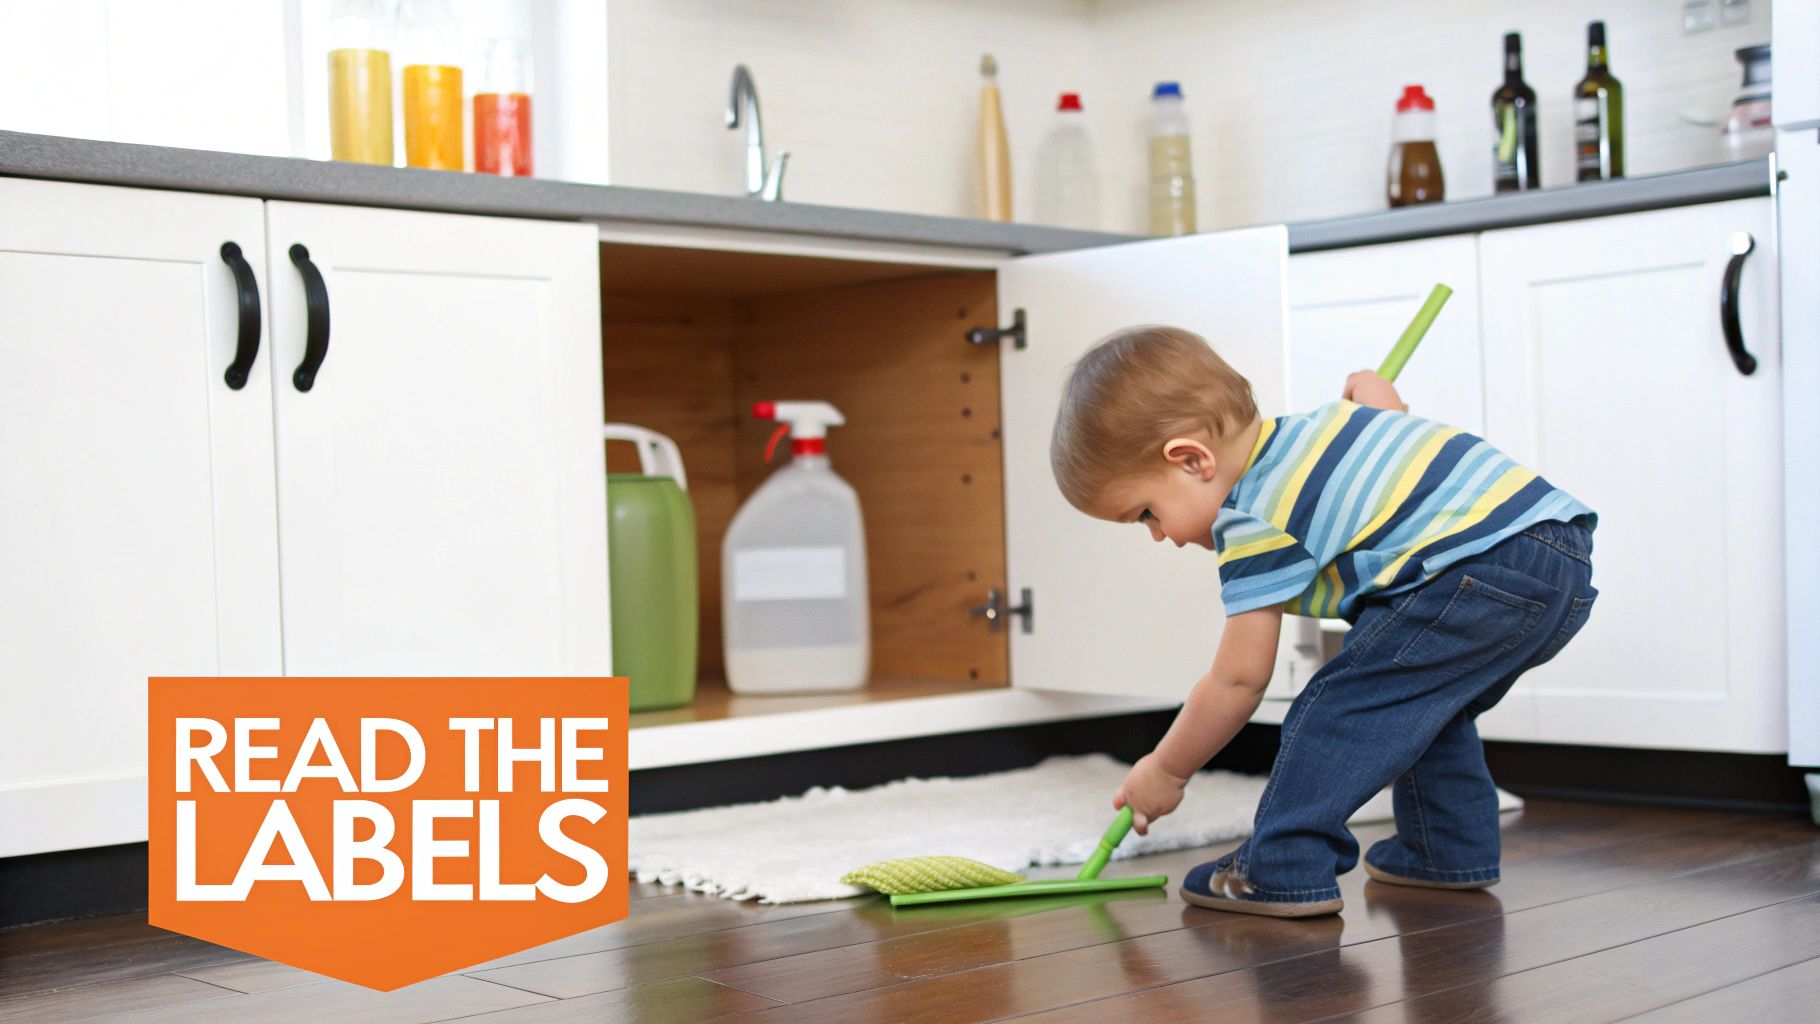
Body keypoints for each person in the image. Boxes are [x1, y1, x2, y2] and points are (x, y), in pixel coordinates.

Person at [1050, 325, 1598, 917]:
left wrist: (1166, 769)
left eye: (1148, 514)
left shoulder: (1253, 516)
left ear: (1191, 459)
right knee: (1421, 707)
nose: (1161, 536)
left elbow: (1238, 682)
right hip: (1556, 554)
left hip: (1474, 570)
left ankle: (1282, 866)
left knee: (1336, 711)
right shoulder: (1324, 430)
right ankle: (1444, 851)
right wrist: (1384, 404)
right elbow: (1391, 431)